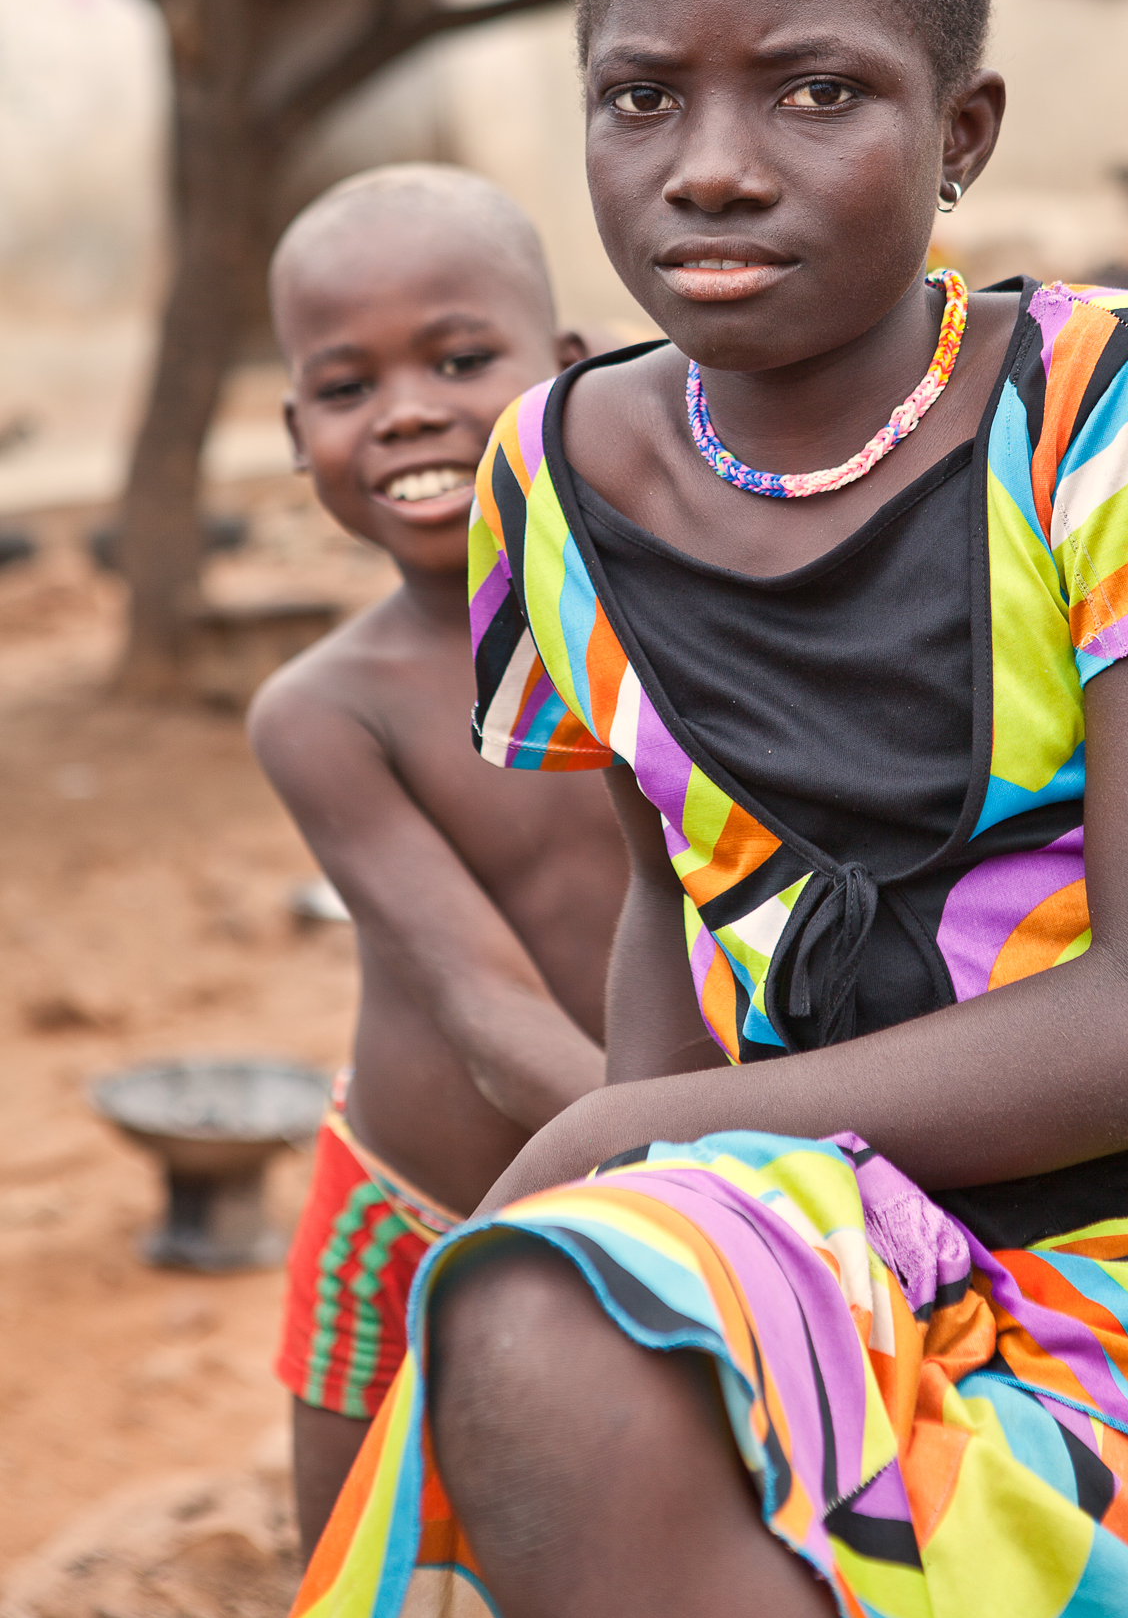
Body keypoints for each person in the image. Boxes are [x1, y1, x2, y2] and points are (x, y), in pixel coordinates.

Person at [293, 0, 1128, 1618]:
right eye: (641, 97)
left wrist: (623, 1143)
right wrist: (639, 1192)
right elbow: (673, 878)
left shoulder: (1115, 408)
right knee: (544, 1317)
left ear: (959, 130)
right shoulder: (549, 474)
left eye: (814, 92)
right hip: (802, 1220)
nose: (709, 166)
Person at [249, 166, 629, 1556]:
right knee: (363, 1558)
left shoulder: (686, 628)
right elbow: (485, 1020)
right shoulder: (324, 712)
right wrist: (736, 1164)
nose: (406, 409)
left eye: (461, 359)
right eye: (346, 389)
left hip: (669, 1174)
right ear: (298, 435)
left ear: (567, 368)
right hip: (410, 1209)